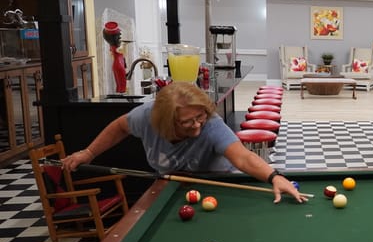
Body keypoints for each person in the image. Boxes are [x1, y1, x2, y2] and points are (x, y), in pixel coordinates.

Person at [60, 82, 307, 204]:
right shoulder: (146, 116)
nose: (198, 126)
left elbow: (242, 157)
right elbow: (119, 127)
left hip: (217, 185)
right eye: (188, 123)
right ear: (167, 122)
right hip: (169, 189)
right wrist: (89, 153)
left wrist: (274, 177)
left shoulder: (211, 123)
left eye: (200, 117)